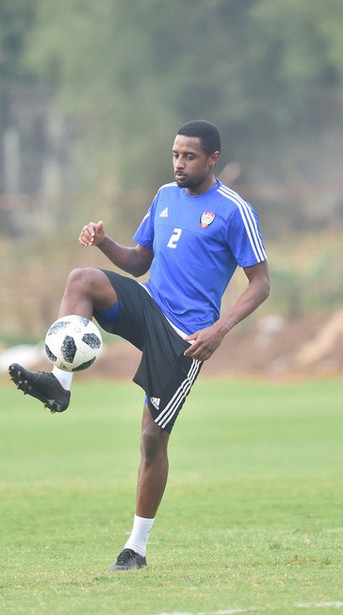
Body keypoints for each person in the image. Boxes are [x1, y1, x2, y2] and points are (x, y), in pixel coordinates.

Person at [8, 120, 270, 571]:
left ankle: (136, 548)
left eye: (189, 156)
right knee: (81, 280)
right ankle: (60, 384)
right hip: (149, 301)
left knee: (152, 439)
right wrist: (105, 242)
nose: (179, 163)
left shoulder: (233, 210)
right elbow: (140, 260)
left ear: (212, 159)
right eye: (175, 155)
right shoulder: (166, 196)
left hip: (185, 336)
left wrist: (221, 328)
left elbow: (261, 283)